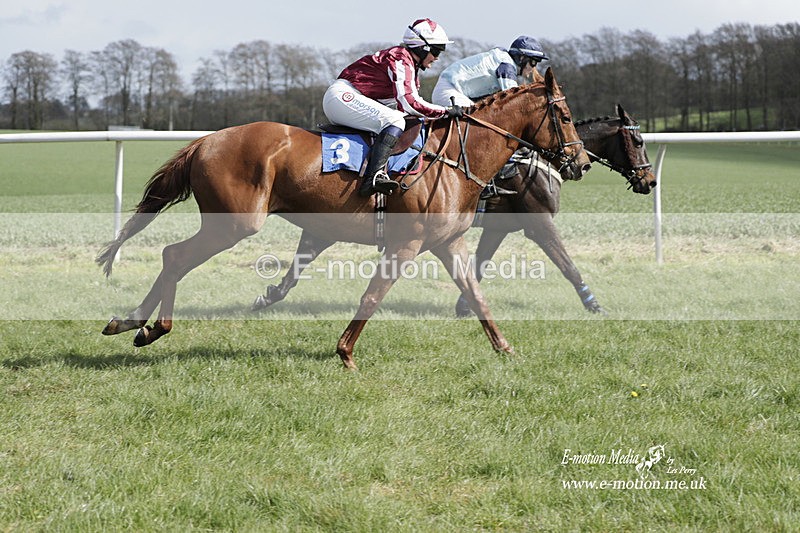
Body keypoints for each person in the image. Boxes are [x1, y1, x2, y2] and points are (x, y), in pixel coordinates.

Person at [323, 18, 463, 197]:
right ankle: (373, 177)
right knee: (395, 119)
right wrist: (445, 111)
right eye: (437, 51)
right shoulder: (400, 59)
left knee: (399, 117)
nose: (437, 57)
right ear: (422, 48)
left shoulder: (409, 64)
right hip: (342, 96)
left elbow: (410, 105)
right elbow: (409, 103)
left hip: (350, 98)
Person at [431, 35, 549, 198]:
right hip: (449, 91)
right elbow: (514, 105)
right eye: (533, 62)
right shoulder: (507, 67)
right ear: (521, 58)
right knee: (480, 128)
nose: (533, 69)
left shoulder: (504, 61)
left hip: (453, 90)